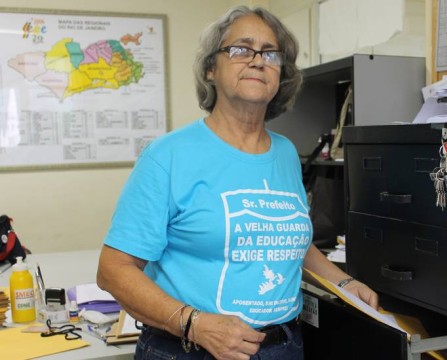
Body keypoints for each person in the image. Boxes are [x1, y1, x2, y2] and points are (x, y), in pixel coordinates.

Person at [96, 6, 378, 360]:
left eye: (270, 53)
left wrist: (345, 283)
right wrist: (195, 324)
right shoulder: (168, 155)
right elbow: (113, 270)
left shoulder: (286, 153)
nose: (258, 61)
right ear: (211, 68)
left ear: (281, 75)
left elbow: (286, 239)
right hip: (190, 348)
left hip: (283, 347)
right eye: (241, 49)